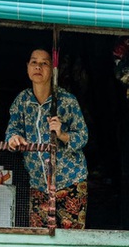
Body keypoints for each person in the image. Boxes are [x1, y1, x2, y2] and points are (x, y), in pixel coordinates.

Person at [6, 48, 88, 229]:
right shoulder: (22, 101)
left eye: (44, 63)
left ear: (52, 69)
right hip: (39, 184)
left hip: (70, 183)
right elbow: (13, 128)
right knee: (40, 240)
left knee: (71, 240)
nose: (38, 67)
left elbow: (83, 136)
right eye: (34, 62)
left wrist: (62, 134)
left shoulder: (67, 101)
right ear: (27, 67)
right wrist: (14, 138)